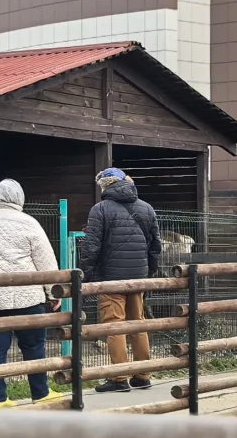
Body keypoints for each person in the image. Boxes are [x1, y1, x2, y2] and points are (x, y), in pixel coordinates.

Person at [0, 179, 64, 408]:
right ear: (19, 199)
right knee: (33, 347)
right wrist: (54, 293)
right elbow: (46, 262)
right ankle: (40, 392)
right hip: (26, 298)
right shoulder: (29, 223)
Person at [81, 167, 161, 393]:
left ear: (105, 186)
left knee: (115, 326)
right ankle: (143, 374)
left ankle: (119, 378)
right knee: (138, 324)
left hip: (111, 279)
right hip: (138, 278)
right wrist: (148, 273)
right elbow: (155, 246)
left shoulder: (100, 210)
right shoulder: (146, 208)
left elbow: (91, 247)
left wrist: (86, 276)